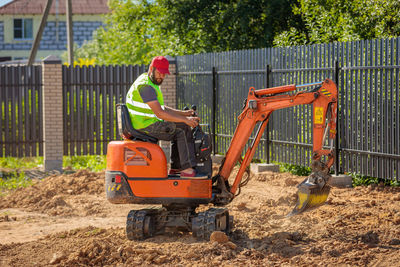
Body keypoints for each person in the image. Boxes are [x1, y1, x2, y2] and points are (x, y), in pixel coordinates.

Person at [126, 56, 200, 177]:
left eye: (164, 74)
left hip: (146, 123)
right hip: (145, 126)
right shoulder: (146, 86)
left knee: (180, 127)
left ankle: (176, 168)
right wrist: (185, 120)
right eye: (159, 72)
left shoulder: (148, 81)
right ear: (151, 68)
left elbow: (161, 108)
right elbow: (160, 113)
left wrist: (183, 114)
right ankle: (186, 169)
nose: (162, 76)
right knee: (182, 128)